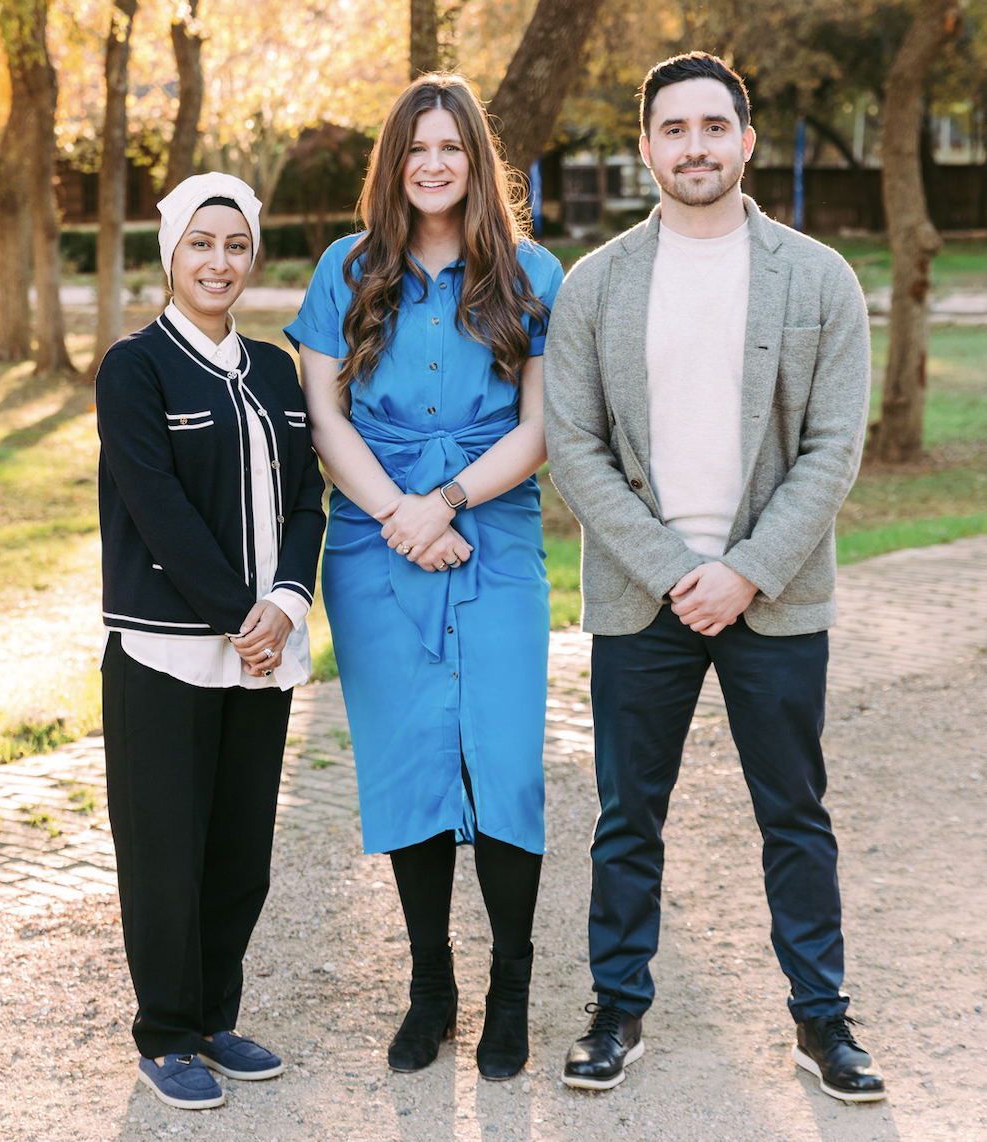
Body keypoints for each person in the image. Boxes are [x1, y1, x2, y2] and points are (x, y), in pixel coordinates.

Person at [543, 52, 887, 1102]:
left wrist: (740, 573)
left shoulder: (818, 276)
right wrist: (669, 569)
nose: (693, 146)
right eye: (672, 129)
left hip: (773, 596)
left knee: (794, 812)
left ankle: (821, 1021)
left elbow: (834, 447)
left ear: (743, 136)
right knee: (624, 814)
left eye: (711, 126)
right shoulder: (596, 284)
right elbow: (573, 443)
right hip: (638, 597)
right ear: (645, 146)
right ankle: (616, 1006)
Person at [286, 73, 564, 1081]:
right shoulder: (345, 269)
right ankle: (431, 986)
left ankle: (512, 987)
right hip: (373, 541)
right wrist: (398, 516)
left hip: (493, 532)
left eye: (451, 147)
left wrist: (443, 503)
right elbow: (324, 416)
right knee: (406, 763)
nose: (434, 163)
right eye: (417, 148)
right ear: (394, 164)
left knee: (504, 763)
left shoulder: (532, 271)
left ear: (475, 161)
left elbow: (540, 426)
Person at [96, 172, 326, 1110]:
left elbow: (310, 497)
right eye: (202, 244)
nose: (219, 262)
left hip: (262, 643)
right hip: (166, 651)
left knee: (240, 847)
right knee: (165, 847)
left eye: (236, 246)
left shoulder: (275, 370)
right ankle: (166, 1033)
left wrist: (285, 600)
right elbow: (159, 510)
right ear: (171, 255)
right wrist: (242, 615)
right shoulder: (134, 367)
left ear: (252, 257)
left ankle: (217, 1016)